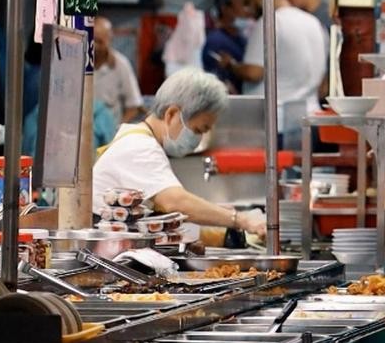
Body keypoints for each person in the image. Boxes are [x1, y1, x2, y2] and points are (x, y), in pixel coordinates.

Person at [92, 68, 266, 236]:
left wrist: (218, 212)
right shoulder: (141, 147)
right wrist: (240, 219)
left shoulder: (139, 138)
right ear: (172, 114)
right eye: (198, 129)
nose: (198, 139)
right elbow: (176, 202)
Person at [231, 0, 326, 145]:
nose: (248, 10)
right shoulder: (314, 23)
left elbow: (254, 72)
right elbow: (324, 80)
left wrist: (231, 66)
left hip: (276, 124)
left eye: (248, 2)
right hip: (312, 119)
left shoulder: (270, 22)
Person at [94, 17, 145, 123]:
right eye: (92, 40)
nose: (94, 46)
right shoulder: (77, 62)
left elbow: (133, 106)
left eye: (99, 42)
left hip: (110, 132)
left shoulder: (121, 65)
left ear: (109, 40)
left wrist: (118, 131)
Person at [203, 0, 251, 93]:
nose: (247, 11)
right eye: (243, 5)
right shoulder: (216, 40)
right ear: (225, 9)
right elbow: (216, 78)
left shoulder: (240, 38)